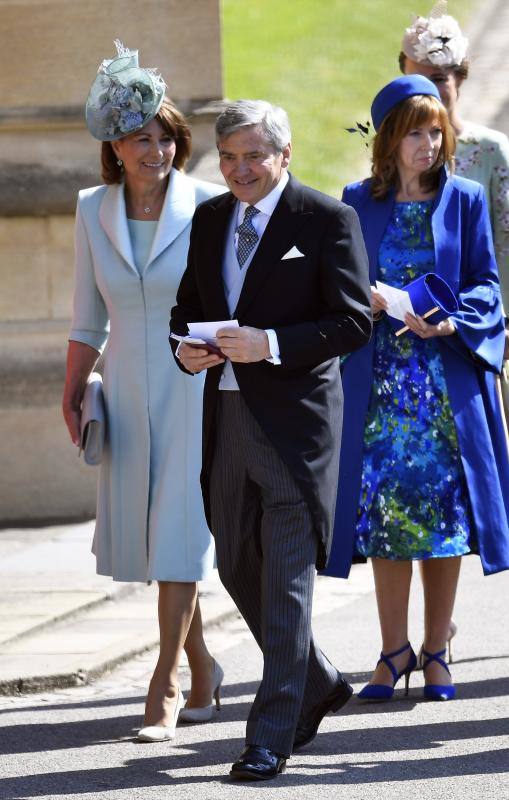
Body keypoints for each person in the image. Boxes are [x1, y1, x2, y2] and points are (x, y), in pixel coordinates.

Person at [170, 100, 372, 780]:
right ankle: (316, 678)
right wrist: (186, 351)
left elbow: (350, 324)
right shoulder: (208, 218)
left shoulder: (325, 220)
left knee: (285, 585)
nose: (239, 170)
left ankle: (270, 735)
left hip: (295, 430)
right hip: (224, 421)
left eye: (253, 156)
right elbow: (186, 311)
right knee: (234, 566)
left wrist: (271, 344)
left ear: (283, 156)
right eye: (228, 158)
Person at [323, 76, 509, 703]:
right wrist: (367, 301)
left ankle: (436, 653)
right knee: (386, 522)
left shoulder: (466, 200)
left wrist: (453, 320)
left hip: (443, 388)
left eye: (436, 131)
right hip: (378, 389)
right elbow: (334, 286)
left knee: (442, 521)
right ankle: (391, 652)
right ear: (389, 139)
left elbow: (489, 286)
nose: (428, 144)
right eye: (414, 133)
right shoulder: (355, 201)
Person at [62, 41, 226, 742]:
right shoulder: (89, 209)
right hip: (125, 386)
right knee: (148, 537)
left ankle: (165, 686)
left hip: (195, 384)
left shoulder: (210, 204)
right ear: (115, 147)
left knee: (181, 534)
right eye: (140, 138)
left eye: (164, 137)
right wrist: (72, 392)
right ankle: (204, 663)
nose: (155, 149)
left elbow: (231, 296)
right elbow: (84, 316)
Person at [400, 1, 509, 313]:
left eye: (437, 80)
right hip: (409, 314)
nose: (426, 95)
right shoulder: (392, 150)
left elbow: (505, 240)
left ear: (459, 78)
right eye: (415, 83)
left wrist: (500, 320)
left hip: (475, 314)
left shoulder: (490, 148)